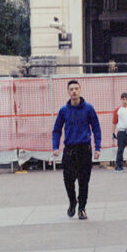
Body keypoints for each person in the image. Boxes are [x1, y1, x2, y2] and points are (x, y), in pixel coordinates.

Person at [52, 79, 102, 219]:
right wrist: (55, 146)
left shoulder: (88, 109)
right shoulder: (63, 111)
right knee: (68, 179)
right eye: (71, 89)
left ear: (80, 90)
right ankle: (72, 201)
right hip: (69, 150)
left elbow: (96, 128)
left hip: (84, 149)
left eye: (76, 88)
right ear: (68, 92)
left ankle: (82, 208)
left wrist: (97, 147)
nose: (74, 91)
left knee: (84, 180)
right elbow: (56, 130)